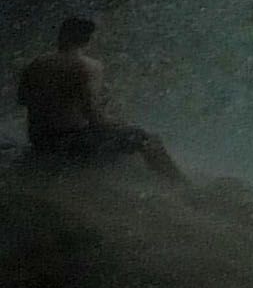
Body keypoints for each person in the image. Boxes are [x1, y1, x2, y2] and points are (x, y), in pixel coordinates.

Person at [18, 16, 179, 176]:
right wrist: (119, 123)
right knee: (145, 137)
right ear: (88, 39)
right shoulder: (88, 66)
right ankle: (181, 186)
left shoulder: (35, 64)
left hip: (39, 140)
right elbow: (94, 117)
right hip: (69, 144)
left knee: (116, 132)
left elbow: (23, 100)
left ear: (61, 35)